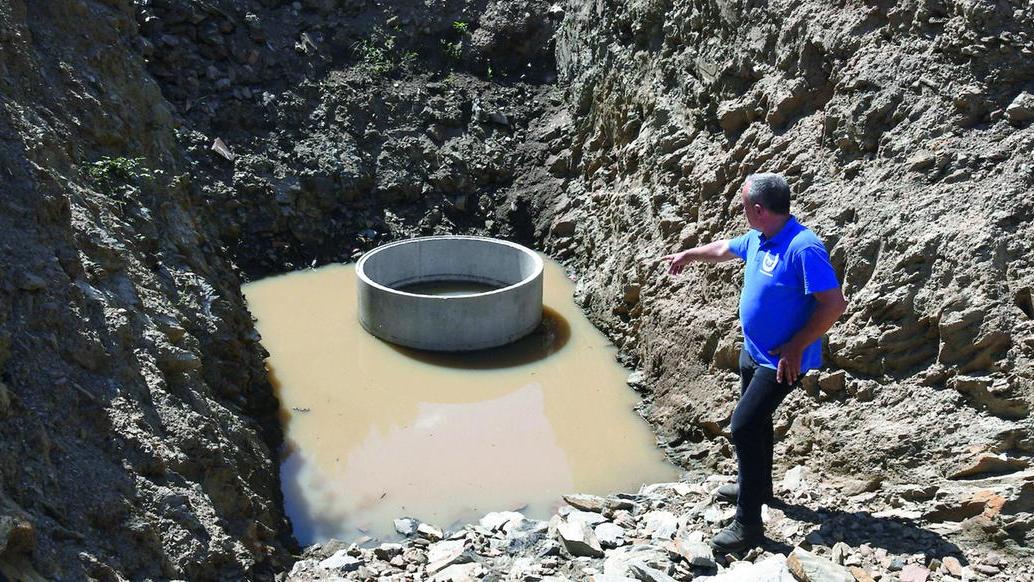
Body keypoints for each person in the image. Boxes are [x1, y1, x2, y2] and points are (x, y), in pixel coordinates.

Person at [661, 173, 847, 553]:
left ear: (759, 210)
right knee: (757, 422)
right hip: (755, 351)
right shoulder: (760, 238)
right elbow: (723, 250)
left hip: (781, 361)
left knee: (743, 425)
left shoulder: (803, 247)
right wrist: (688, 255)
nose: (742, 212)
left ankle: (748, 525)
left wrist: (796, 347)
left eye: (744, 206)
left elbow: (833, 304)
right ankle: (758, 487)